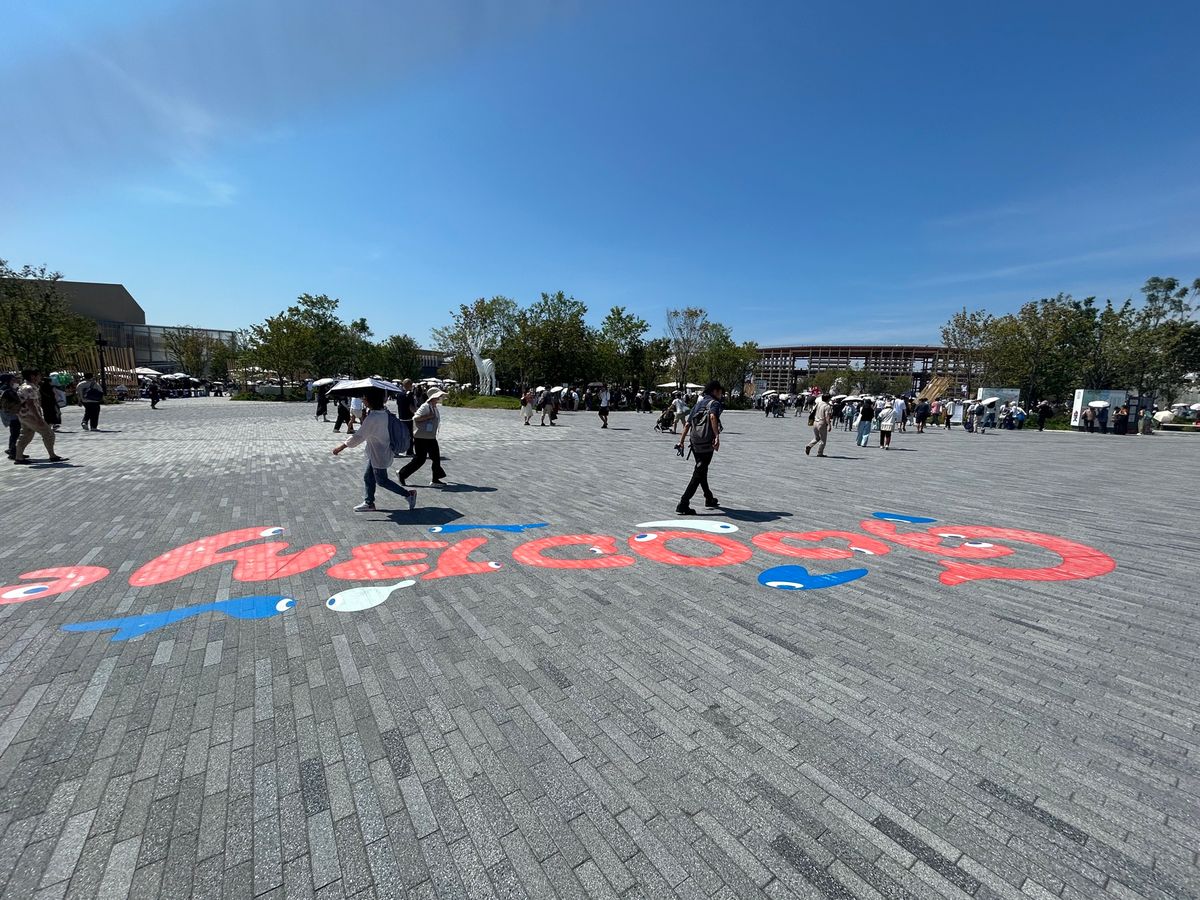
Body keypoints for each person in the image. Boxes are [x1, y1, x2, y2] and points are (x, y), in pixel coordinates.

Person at [333, 387, 417, 513]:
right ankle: (369, 502)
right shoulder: (383, 412)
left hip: (380, 453)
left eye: (365, 397)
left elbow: (359, 436)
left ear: (370, 400)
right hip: (378, 451)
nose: (363, 399)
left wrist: (341, 447)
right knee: (368, 477)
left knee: (382, 480)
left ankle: (408, 494)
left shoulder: (373, 418)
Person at [674, 380, 724, 514]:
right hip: (707, 442)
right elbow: (713, 417)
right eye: (720, 391)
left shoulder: (698, 404)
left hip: (695, 442)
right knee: (699, 471)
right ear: (714, 391)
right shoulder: (714, 403)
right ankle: (683, 503)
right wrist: (717, 436)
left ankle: (709, 498)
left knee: (701, 470)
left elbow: (687, 424)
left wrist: (682, 441)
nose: (721, 394)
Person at [14, 369, 67, 464]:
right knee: (48, 433)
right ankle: (52, 455)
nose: (40, 377)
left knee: (26, 435)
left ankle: (19, 457)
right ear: (32, 376)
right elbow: (31, 404)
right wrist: (38, 418)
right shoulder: (29, 387)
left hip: (23, 415)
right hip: (31, 416)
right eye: (38, 375)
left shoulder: (24, 386)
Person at [399, 387, 447, 486]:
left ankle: (435, 479)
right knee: (420, 460)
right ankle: (402, 473)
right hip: (421, 438)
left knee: (436, 458)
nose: (439, 398)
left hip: (430, 437)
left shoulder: (434, 407)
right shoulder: (425, 406)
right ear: (433, 397)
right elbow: (416, 418)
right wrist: (428, 417)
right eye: (438, 397)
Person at [805, 393, 832, 457]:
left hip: (815, 422)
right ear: (828, 399)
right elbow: (827, 416)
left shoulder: (818, 403)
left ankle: (809, 445)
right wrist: (829, 425)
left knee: (817, 437)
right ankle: (820, 453)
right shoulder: (827, 406)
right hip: (822, 423)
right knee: (823, 440)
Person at [1, 373, 21, 460]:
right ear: (7, 381)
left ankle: (13, 451)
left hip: (8, 413)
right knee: (15, 433)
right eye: (13, 380)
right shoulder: (7, 389)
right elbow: (16, 400)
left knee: (14, 433)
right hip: (12, 414)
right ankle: (13, 452)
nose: (15, 381)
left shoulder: (4, 388)